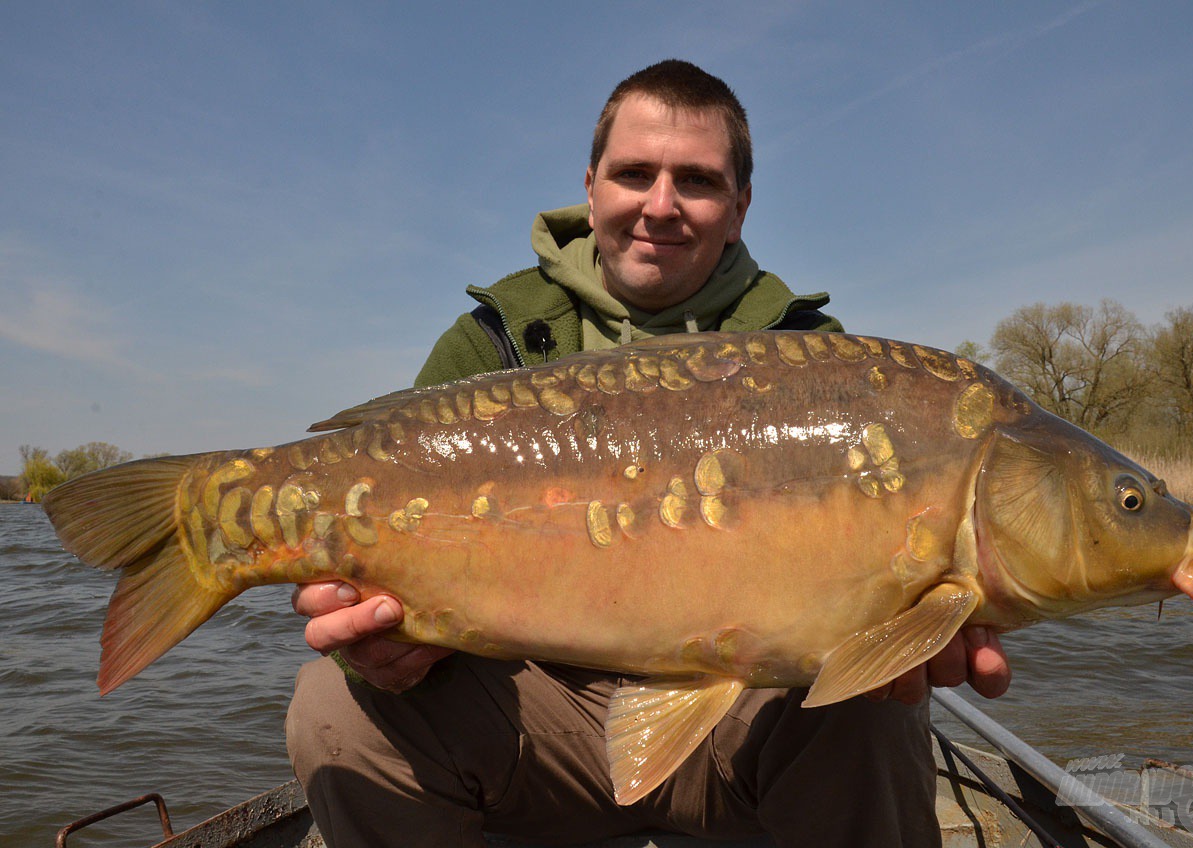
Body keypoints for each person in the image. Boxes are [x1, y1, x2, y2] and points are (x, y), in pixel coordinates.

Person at [286, 59, 1011, 848]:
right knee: (333, 707)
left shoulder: (817, 360)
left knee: (878, 708)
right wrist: (380, 653)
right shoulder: (490, 343)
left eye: (696, 182)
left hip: (744, 730)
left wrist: (912, 632)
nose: (659, 206)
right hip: (534, 725)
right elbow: (367, 601)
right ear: (592, 186)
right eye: (635, 173)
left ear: (739, 209)